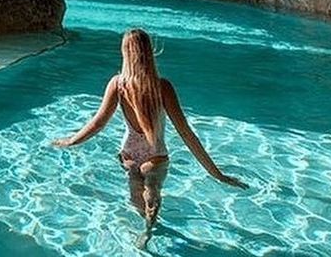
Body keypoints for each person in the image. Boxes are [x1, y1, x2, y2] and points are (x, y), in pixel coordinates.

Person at [52, 28, 248, 248]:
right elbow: (186, 133)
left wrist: (71, 140)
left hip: (129, 154)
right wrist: (217, 174)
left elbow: (98, 123)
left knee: (136, 193)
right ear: (149, 52)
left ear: (125, 53)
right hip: (155, 156)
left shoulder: (117, 84)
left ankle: (139, 231)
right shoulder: (162, 86)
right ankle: (148, 228)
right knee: (152, 188)